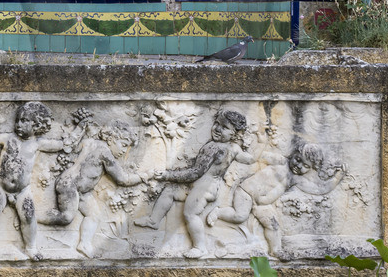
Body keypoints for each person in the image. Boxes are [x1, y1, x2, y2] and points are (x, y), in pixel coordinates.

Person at [135, 109, 257, 258]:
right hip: (205, 185)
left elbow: (195, 172)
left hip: (204, 187)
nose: (217, 129)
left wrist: (168, 175)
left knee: (190, 213)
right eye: (217, 123)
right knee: (170, 190)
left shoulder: (213, 147)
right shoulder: (235, 148)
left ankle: (200, 247)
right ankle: (153, 220)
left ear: (234, 134)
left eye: (224, 127)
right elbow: (250, 159)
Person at [213, 142, 345, 258]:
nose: (298, 165)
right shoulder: (281, 161)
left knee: (273, 225)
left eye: (305, 165)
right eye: (298, 159)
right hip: (247, 192)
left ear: (311, 169)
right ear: (294, 154)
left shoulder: (296, 179)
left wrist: (337, 178)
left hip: (263, 203)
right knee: (240, 216)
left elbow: (318, 189)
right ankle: (217, 212)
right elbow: (259, 155)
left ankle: (275, 250)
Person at [0, 101, 61, 258]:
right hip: (1, 188)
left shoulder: (38, 143)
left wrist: (79, 131)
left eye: (24, 121)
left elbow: (61, 145)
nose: (18, 124)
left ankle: (31, 247)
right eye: (17, 120)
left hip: (23, 190)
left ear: (36, 125)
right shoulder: (6, 138)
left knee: (29, 216)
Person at [41, 119, 142, 257]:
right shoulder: (104, 152)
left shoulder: (91, 142)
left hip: (82, 191)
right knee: (67, 217)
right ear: (112, 138)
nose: (124, 151)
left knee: (93, 214)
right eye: (123, 145)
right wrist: (143, 176)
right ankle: (35, 218)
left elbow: (74, 148)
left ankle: (84, 244)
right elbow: (122, 179)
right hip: (69, 186)